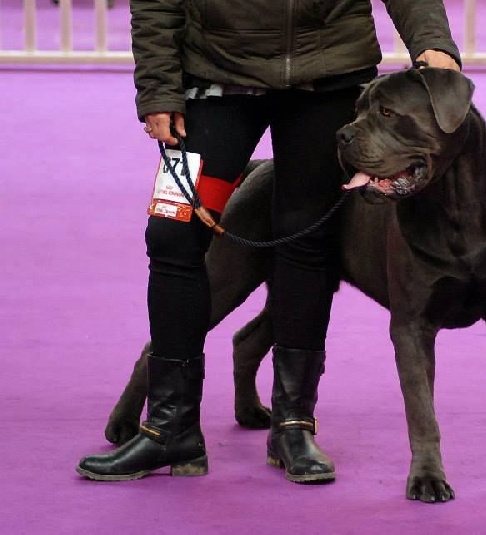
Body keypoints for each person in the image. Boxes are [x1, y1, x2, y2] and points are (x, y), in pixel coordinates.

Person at [76, 0, 461, 484]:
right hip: (213, 81)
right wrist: (157, 86)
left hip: (332, 79)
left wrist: (435, 46)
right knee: (172, 232)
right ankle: (169, 427)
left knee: (307, 237)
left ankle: (293, 426)